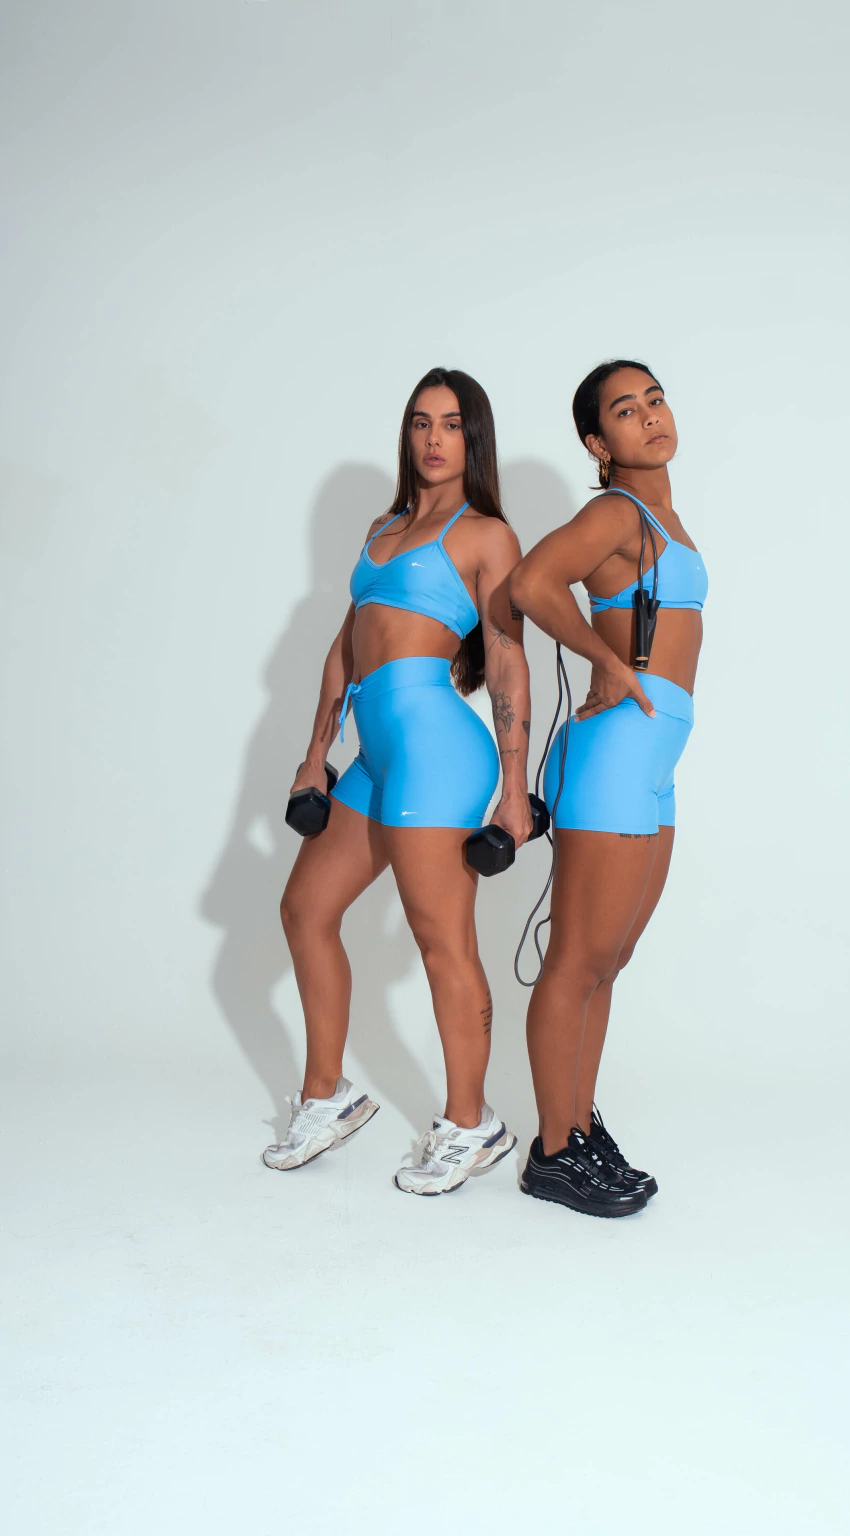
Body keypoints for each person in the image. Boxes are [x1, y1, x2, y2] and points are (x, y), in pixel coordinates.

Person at [265, 368, 533, 1195]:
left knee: (439, 936)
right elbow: (345, 650)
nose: (433, 438)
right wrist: (316, 752)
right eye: (421, 422)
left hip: (438, 749)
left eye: (450, 424)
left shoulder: (485, 534)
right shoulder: (381, 529)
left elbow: (508, 662)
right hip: (376, 754)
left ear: (472, 439)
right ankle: (327, 1096)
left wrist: (514, 787)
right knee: (305, 909)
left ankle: (471, 1122)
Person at [509, 359, 708, 1217]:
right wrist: (604, 659)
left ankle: (579, 1124)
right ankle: (552, 1153)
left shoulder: (663, 517)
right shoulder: (616, 511)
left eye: (655, 399)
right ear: (598, 443)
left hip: (653, 759)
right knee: (578, 958)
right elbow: (530, 583)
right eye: (627, 411)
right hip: (617, 752)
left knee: (610, 960)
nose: (651, 416)